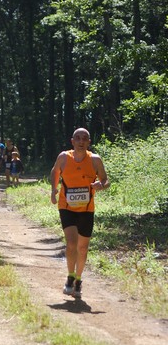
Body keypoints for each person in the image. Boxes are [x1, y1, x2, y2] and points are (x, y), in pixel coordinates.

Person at [50, 127, 109, 299]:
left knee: (83, 248)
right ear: (72, 141)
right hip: (66, 207)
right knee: (71, 243)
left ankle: (78, 279)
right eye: (78, 138)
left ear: (89, 142)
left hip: (86, 209)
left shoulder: (95, 160)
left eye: (85, 138)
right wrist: (53, 190)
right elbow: (55, 171)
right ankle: (70, 276)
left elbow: (106, 180)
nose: (81, 141)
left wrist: (101, 184)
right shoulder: (64, 157)